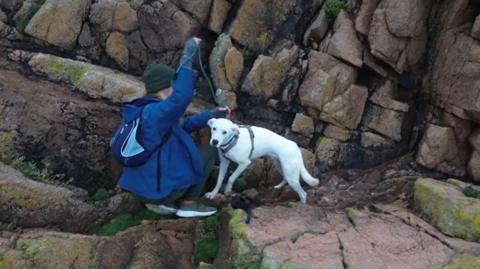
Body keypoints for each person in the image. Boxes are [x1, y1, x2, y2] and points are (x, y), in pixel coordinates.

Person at [118, 37, 229, 218]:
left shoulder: (144, 110)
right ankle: (188, 203)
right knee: (211, 150)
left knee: (182, 149)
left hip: (141, 188)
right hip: (157, 191)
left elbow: (182, 127)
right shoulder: (157, 113)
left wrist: (211, 115)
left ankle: (160, 202)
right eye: (173, 84)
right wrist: (187, 56)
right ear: (165, 87)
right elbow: (182, 96)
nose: (175, 87)